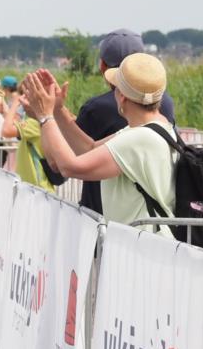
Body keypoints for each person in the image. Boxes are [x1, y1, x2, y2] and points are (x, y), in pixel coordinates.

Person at [23, 54, 178, 238]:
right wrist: (58, 110)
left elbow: (68, 166)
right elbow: (89, 148)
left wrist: (44, 116)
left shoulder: (138, 139)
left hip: (139, 247)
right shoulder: (155, 127)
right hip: (146, 244)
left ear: (121, 96)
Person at [74, 29, 176, 216]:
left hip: (102, 215)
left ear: (103, 66)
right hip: (150, 217)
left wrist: (47, 117)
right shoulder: (164, 107)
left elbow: (70, 163)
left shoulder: (96, 110)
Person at [0, 78, 55, 193]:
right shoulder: (34, 119)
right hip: (32, 188)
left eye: (25, 94)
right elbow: (11, 123)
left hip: (38, 190)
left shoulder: (35, 122)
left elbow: (6, 130)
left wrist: (15, 103)